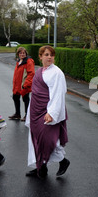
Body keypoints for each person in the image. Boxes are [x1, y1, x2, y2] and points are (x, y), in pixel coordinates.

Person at [25, 46, 70, 179]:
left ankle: (63, 161)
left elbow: (58, 94)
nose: (49, 57)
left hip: (48, 111)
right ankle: (40, 167)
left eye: (51, 55)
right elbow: (35, 94)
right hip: (35, 110)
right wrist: (29, 112)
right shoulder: (40, 71)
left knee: (49, 140)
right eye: (46, 54)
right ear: (40, 57)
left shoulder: (57, 73)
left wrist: (51, 113)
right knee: (35, 139)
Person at [9, 47, 35, 121]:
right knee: (15, 97)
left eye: (24, 53)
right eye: (20, 53)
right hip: (17, 85)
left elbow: (31, 73)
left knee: (25, 99)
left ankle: (27, 115)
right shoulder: (19, 61)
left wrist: (26, 84)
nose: (22, 54)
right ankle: (17, 114)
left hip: (24, 84)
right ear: (18, 54)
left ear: (26, 54)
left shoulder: (28, 61)